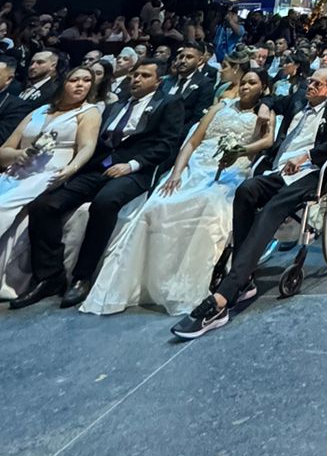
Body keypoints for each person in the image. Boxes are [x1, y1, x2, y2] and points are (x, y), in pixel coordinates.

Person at [171, 66, 327, 339]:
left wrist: (307, 156)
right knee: (245, 191)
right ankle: (245, 277)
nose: (310, 86)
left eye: (317, 84)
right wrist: (266, 107)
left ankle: (224, 296)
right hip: (278, 170)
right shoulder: (296, 101)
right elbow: (268, 98)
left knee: (271, 210)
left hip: (310, 173)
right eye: (310, 80)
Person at [80, 67, 276, 316]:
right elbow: (193, 142)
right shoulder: (220, 108)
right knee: (160, 203)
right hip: (197, 163)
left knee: (208, 204)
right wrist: (175, 173)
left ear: (263, 88)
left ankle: (183, 284)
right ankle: (142, 280)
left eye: (252, 83)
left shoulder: (266, 113)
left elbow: (267, 141)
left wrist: (240, 150)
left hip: (232, 166)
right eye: (244, 82)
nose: (246, 87)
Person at [10, 59, 185, 309]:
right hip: (100, 166)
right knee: (44, 205)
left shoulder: (168, 103)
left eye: (145, 76)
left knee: (104, 203)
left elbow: (167, 144)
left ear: (158, 82)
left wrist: (133, 164)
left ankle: (83, 276)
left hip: (135, 169)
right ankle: (49, 276)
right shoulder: (117, 104)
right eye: (135, 75)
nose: (136, 79)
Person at [0, 67, 101, 298]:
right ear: (61, 83)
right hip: (18, 170)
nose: (81, 85)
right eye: (74, 80)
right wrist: (18, 155)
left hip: (50, 173)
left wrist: (71, 169)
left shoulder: (88, 112)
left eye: (87, 81)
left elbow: (87, 147)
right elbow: (4, 149)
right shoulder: (39, 111)